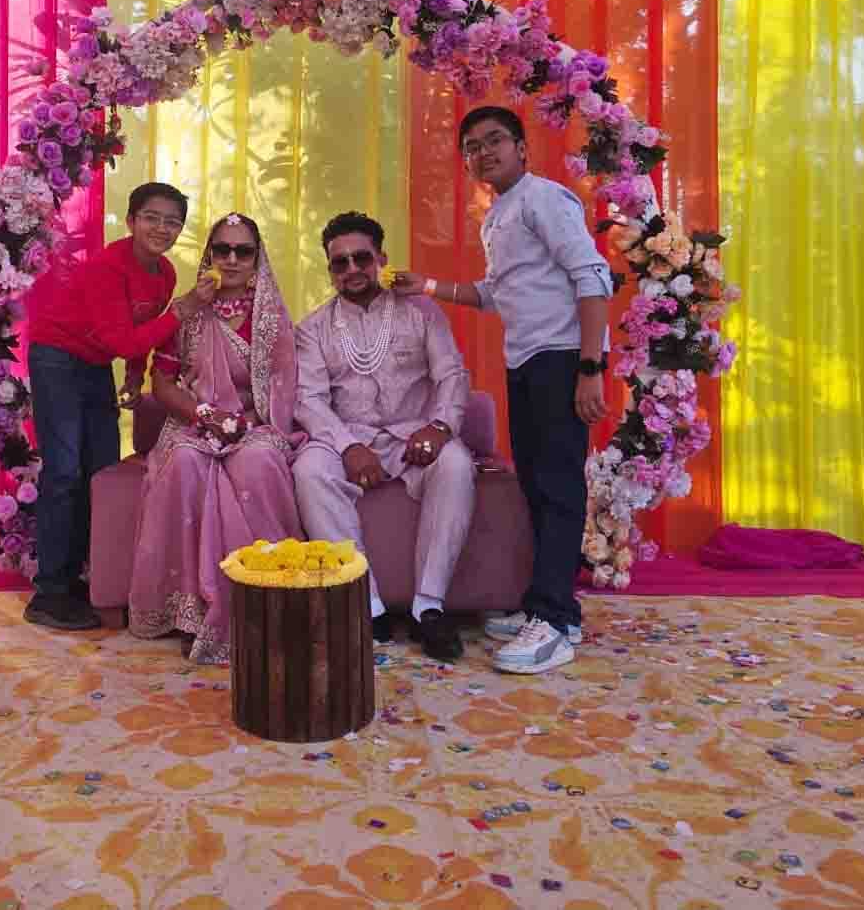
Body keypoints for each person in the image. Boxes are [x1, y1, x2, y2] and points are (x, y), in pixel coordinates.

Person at [394, 106, 612, 674]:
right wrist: (429, 286)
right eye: (472, 146)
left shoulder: (545, 199)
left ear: (521, 148)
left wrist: (591, 367)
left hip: (563, 357)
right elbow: (496, 293)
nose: (483, 152)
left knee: (559, 487)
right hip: (526, 361)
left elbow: (593, 278)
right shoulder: (498, 215)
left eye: (495, 140)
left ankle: (554, 623)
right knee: (535, 486)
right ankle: (549, 602)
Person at [22, 182, 215, 632]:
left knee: (102, 471)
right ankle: (50, 592)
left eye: (172, 222)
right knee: (64, 471)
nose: (161, 228)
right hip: (56, 358)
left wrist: (133, 373)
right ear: (131, 221)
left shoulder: (164, 273)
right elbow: (125, 338)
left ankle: (91, 579)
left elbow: (134, 332)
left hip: (94, 363)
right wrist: (181, 311)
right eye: (151, 218)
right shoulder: (107, 268)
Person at [293, 211, 475, 663]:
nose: (352, 269)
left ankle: (428, 608)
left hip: (414, 434)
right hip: (347, 435)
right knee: (309, 470)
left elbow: (452, 375)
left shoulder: (421, 311)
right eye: (340, 262)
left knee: (455, 464)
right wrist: (348, 447)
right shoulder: (312, 329)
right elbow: (309, 400)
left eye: (362, 258)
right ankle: (366, 605)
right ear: (330, 270)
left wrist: (439, 427)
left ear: (381, 259)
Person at [128, 213, 306, 664]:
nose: (231, 259)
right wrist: (205, 415)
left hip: (255, 424)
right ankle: (191, 612)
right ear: (210, 254)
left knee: (260, 464)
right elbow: (161, 383)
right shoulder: (189, 311)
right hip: (194, 421)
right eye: (222, 249)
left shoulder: (270, 317)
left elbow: (284, 388)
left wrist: (246, 424)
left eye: (242, 251)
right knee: (185, 465)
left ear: (256, 258)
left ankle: (265, 601)